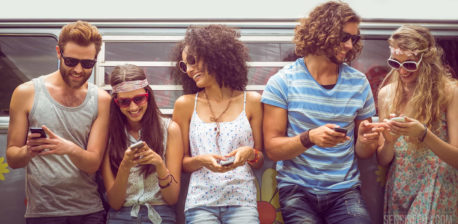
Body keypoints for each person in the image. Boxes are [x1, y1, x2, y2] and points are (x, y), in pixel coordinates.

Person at [261, 1, 383, 223]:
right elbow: (273, 150)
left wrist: (365, 141)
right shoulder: (282, 82)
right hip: (297, 189)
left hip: (345, 190)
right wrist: (310, 138)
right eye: (344, 37)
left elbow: (364, 152)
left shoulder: (359, 83)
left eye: (353, 39)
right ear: (322, 32)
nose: (349, 45)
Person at [6, 20, 110, 223]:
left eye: (88, 64)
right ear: (58, 52)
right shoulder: (26, 93)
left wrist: (69, 148)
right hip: (43, 212)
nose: (79, 70)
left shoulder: (101, 99)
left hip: (89, 211)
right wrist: (28, 151)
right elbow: (12, 157)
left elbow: (93, 163)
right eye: (71, 61)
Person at [171, 24, 264, 224]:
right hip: (200, 203)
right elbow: (181, 163)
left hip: (242, 200)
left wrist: (250, 153)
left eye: (192, 60)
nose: (188, 69)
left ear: (215, 55)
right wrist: (202, 160)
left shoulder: (253, 101)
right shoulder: (185, 105)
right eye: (183, 64)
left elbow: (260, 159)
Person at [377, 25, 458, 224]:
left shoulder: (449, 92)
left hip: (437, 181)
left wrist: (424, 134)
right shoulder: (387, 94)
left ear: (427, 61)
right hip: (399, 183)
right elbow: (383, 160)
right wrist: (388, 142)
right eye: (395, 63)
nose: (402, 71)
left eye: (410, 65)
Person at [101, 64, 183, 224]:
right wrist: (125, 166)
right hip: (122, 214)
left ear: (148, 96)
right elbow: (115, 202)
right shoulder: (109, 135)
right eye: (124, 102)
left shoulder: (170, 129)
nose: (133, 107)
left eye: (139, 99)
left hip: (160, 213)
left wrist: (159, 164)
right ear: (116, 102)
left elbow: (172, 198)